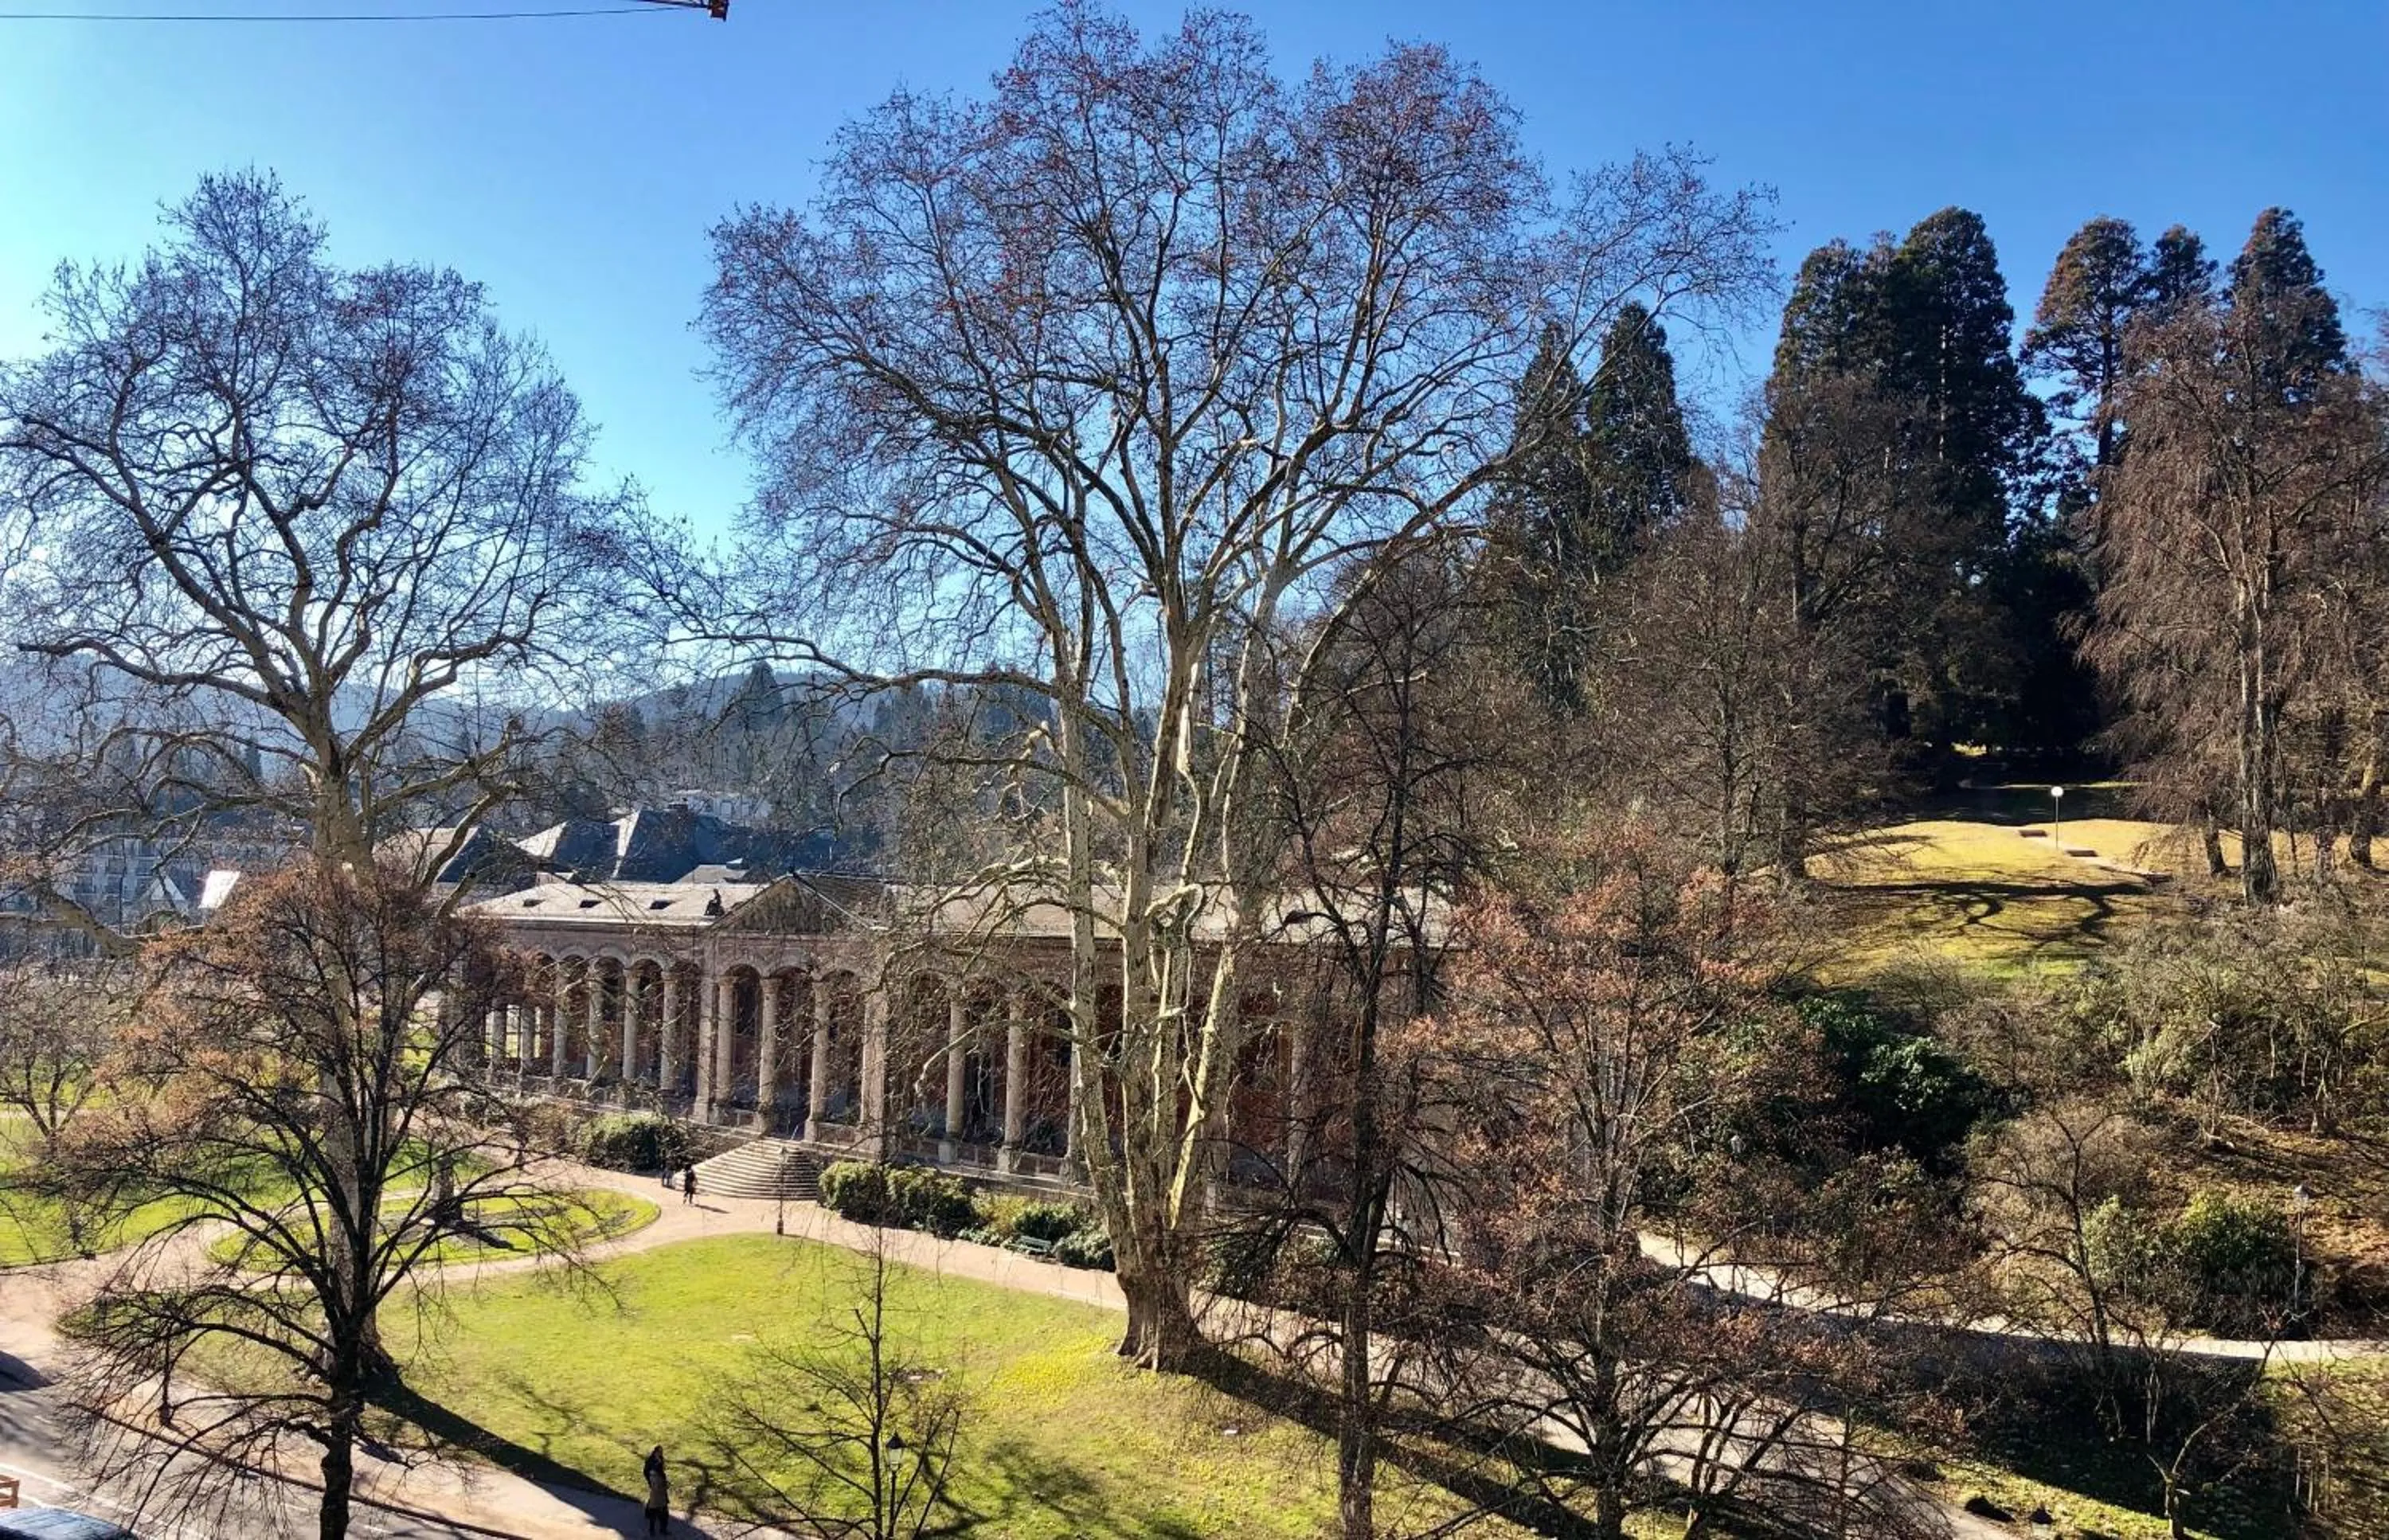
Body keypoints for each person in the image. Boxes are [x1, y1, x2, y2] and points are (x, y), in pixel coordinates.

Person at [642, 1444, 670, 1535]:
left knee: (663, 1510)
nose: (661, 1453)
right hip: (656, 1487)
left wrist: (665, 1482)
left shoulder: (660, 1459)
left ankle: (662, 1529)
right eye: (659, 1451)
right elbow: (647, 1472)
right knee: (655, 1510)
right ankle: (653, 1530)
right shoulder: (651, 1462)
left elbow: (662, 1473)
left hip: (661, 1488)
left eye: (661, 1452)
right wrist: (651, 1483)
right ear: (655, 1451)